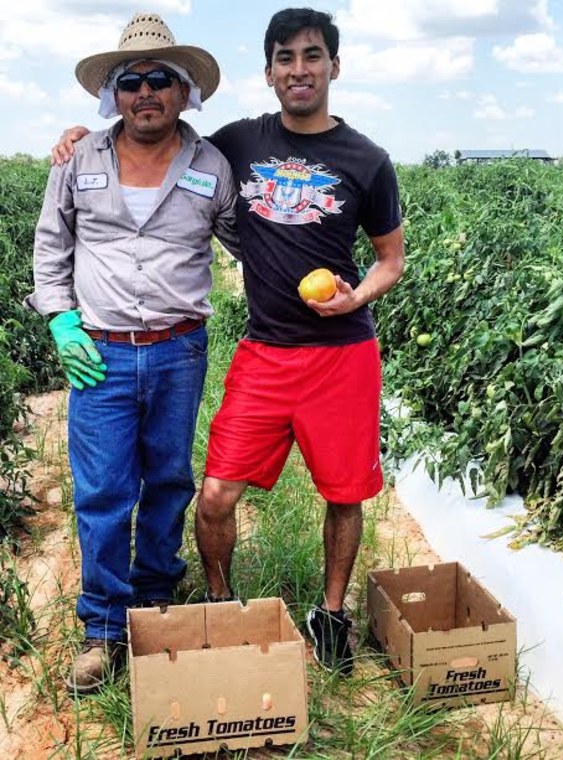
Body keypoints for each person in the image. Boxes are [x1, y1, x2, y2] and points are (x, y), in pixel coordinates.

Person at [52, 7, 405, 678]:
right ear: (268, 71)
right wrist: (77, 139)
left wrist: (356, 297)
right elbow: (154, 140)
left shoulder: (367, 159)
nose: (299, 70)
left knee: (342, 491)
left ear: (334, 64)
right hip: (261, 351)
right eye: (286, 58)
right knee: (210, 494)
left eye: (311, 56)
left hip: (339, 354)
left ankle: (330, 615)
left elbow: (390, 257)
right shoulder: (237, 142)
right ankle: (211, 604)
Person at [28, 12, 240, 694]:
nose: (145, 92)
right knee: (102, 491)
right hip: (101, 353)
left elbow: (249, 244)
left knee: (169, 481)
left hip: (179, 350)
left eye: (160, 80)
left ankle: (152, 601)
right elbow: (51, 247)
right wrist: (61, 320)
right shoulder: (79, 159)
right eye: (131, 82)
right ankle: (103, 626)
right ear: (113, 94)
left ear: (184, 92)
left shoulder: (210, 165)